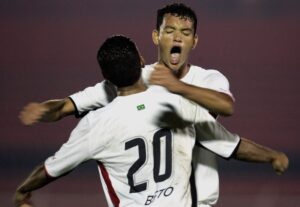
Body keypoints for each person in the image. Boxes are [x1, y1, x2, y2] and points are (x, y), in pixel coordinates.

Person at [18, 3, 289, 207]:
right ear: (155, 37)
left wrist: (178, 87)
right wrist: (44, 110)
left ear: (194, 40)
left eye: (185, 32)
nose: (177, 38)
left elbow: (226, 106)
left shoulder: (207, 79)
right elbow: (68, 105)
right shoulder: (148, 89)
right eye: (169, 31)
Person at [14, 35, 243, 207]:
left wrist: (23, 190)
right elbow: (65, 106)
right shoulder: (169, 97)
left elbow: (51, 169)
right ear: (142, 57)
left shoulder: (95, 124)